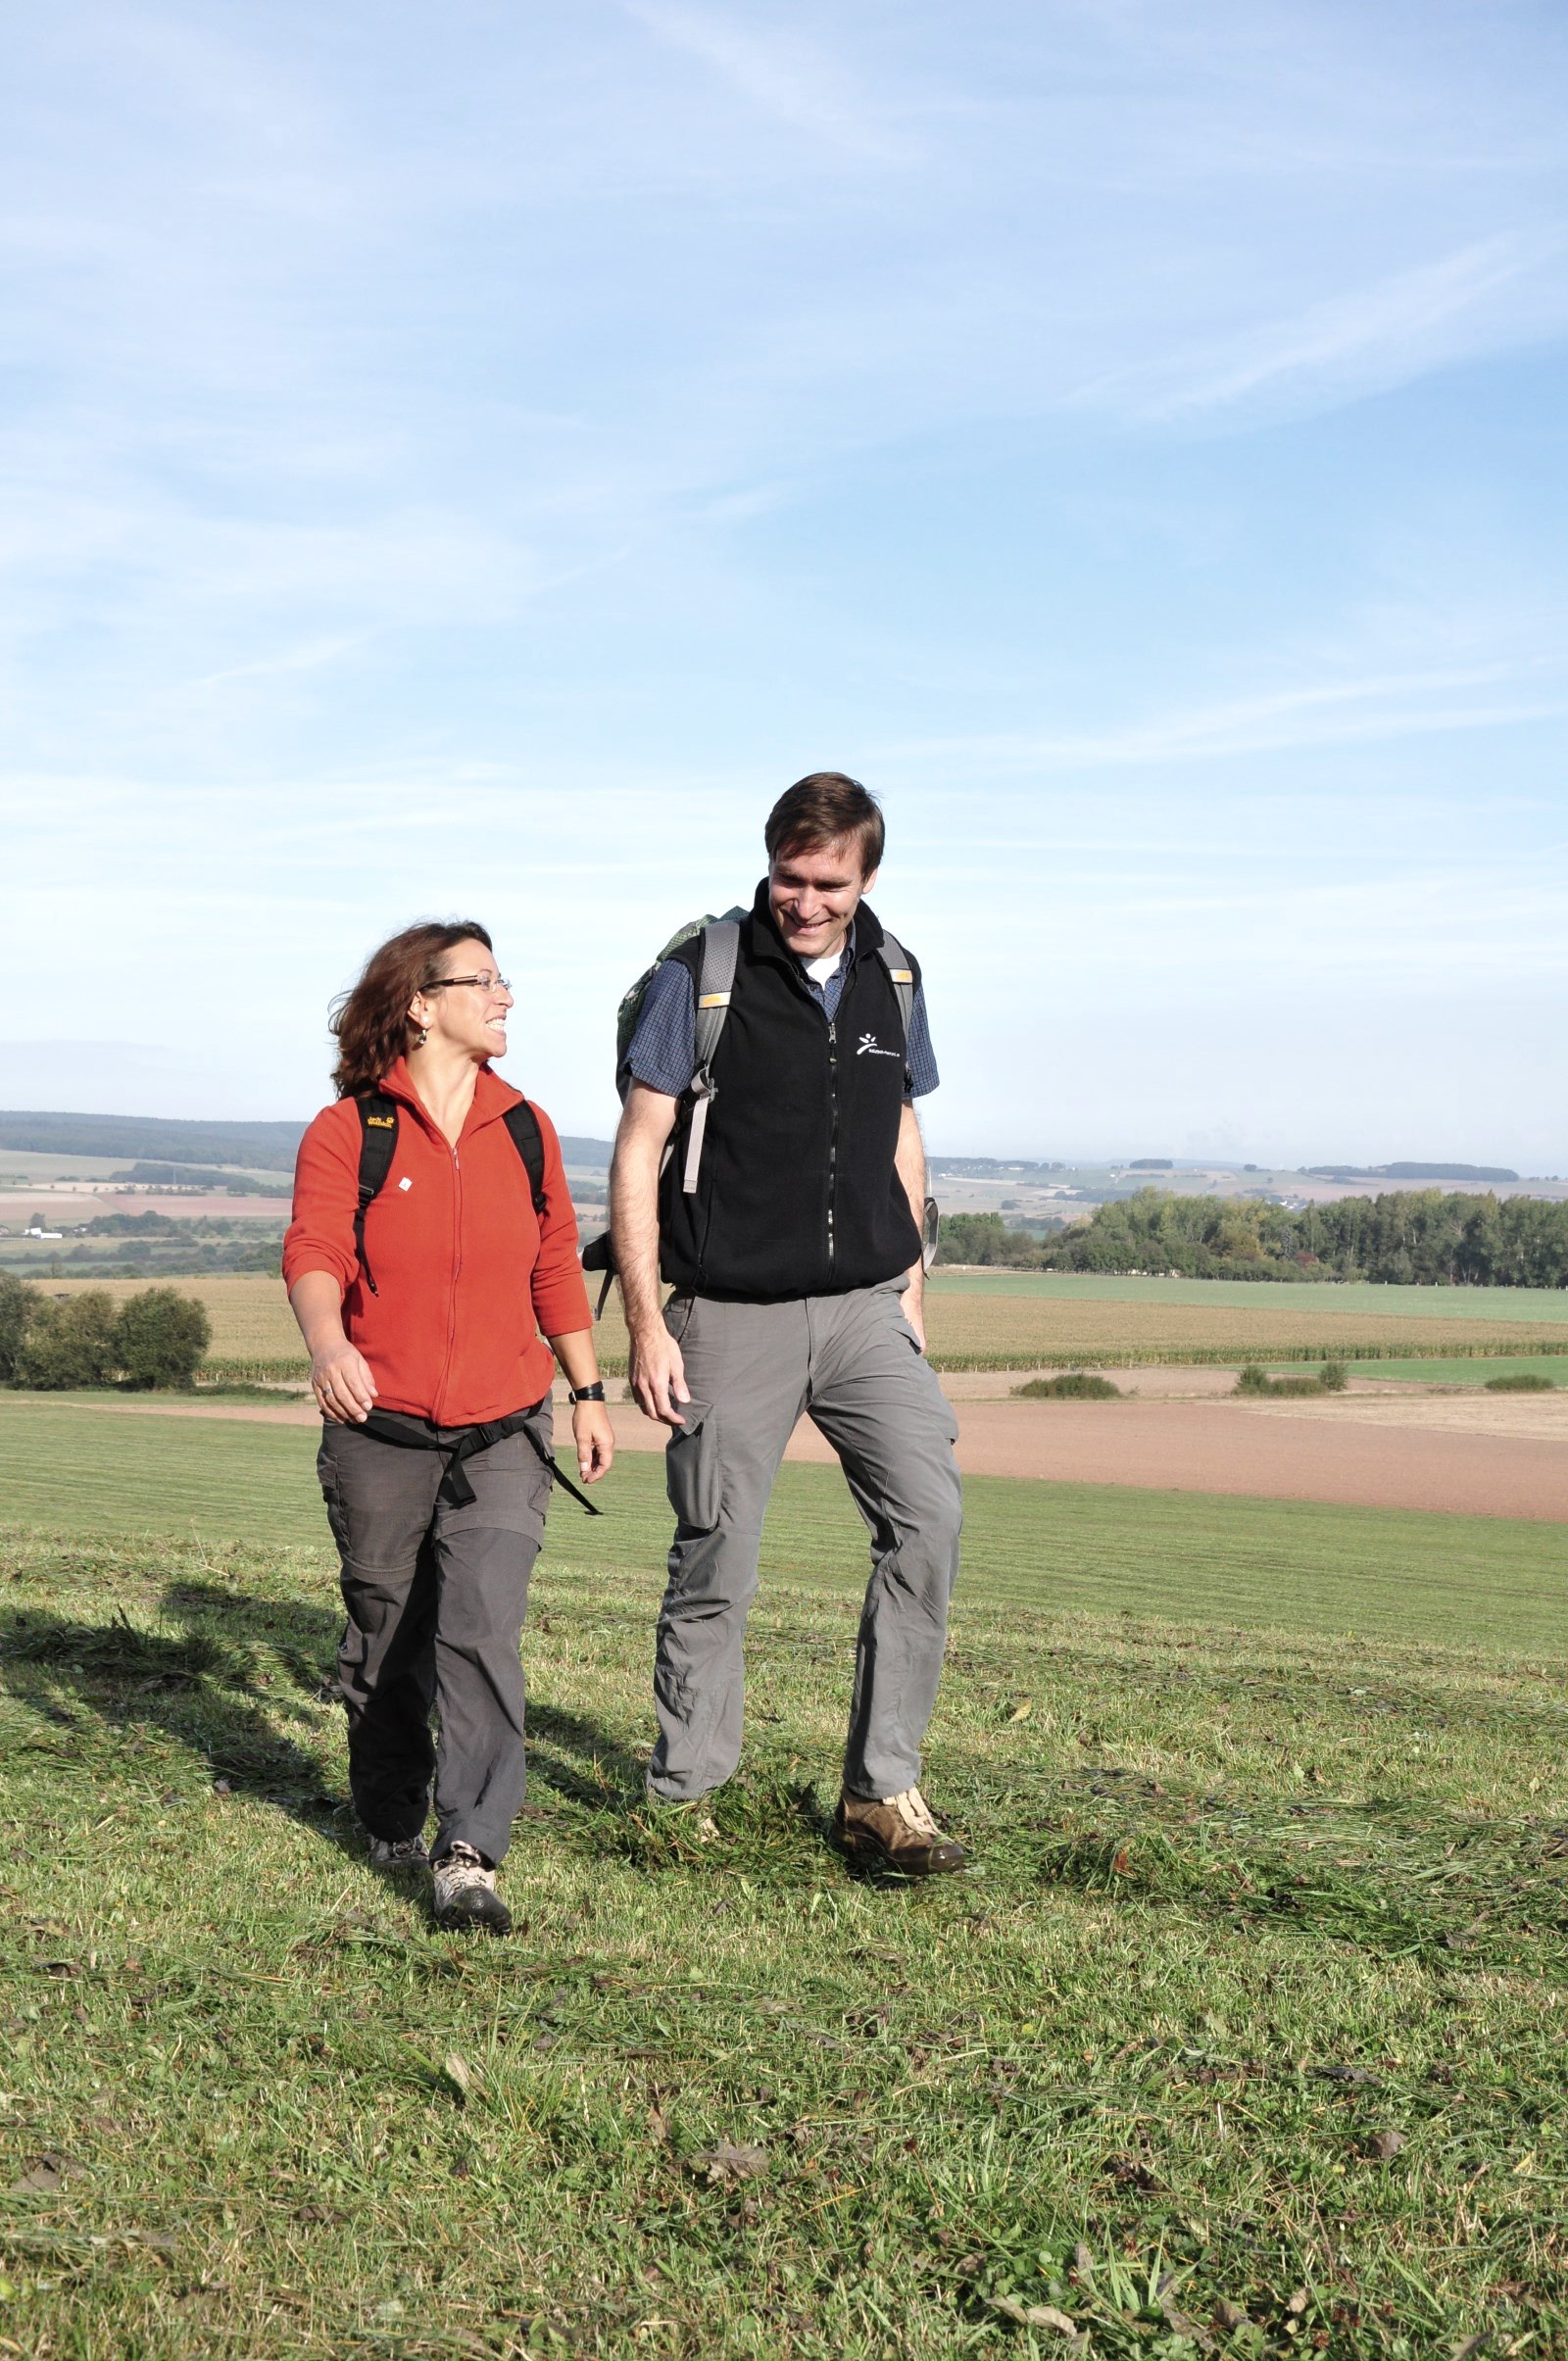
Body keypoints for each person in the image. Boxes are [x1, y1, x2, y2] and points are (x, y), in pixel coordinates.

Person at [610, 773, 965, 1876]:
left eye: (829, 884)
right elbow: (638, 1147)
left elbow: (899, 1129)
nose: (804, 901)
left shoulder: (895, 975)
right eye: (788, 877)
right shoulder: (701, 974)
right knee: (717, 1552)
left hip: (864, 1309)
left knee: (928, 1519)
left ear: (868, 877)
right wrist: (646, 1325)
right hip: (726, 1312)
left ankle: (881, 1795)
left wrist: (912, 1292)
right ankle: (683, 1796)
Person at [283, 920, 613, 1934]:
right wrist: (328, 1345)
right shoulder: (350, 1131)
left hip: (503, 1430)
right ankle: (390, 1807)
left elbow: (555, 1264)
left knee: (481, 1627)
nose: (506, 996)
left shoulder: (526, 1127)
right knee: (388, 1633)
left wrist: (589, 1389)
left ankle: (470, 1850)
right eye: (486, 980)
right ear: (422, 1004)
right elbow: (314, 1249)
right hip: (377, 1427)